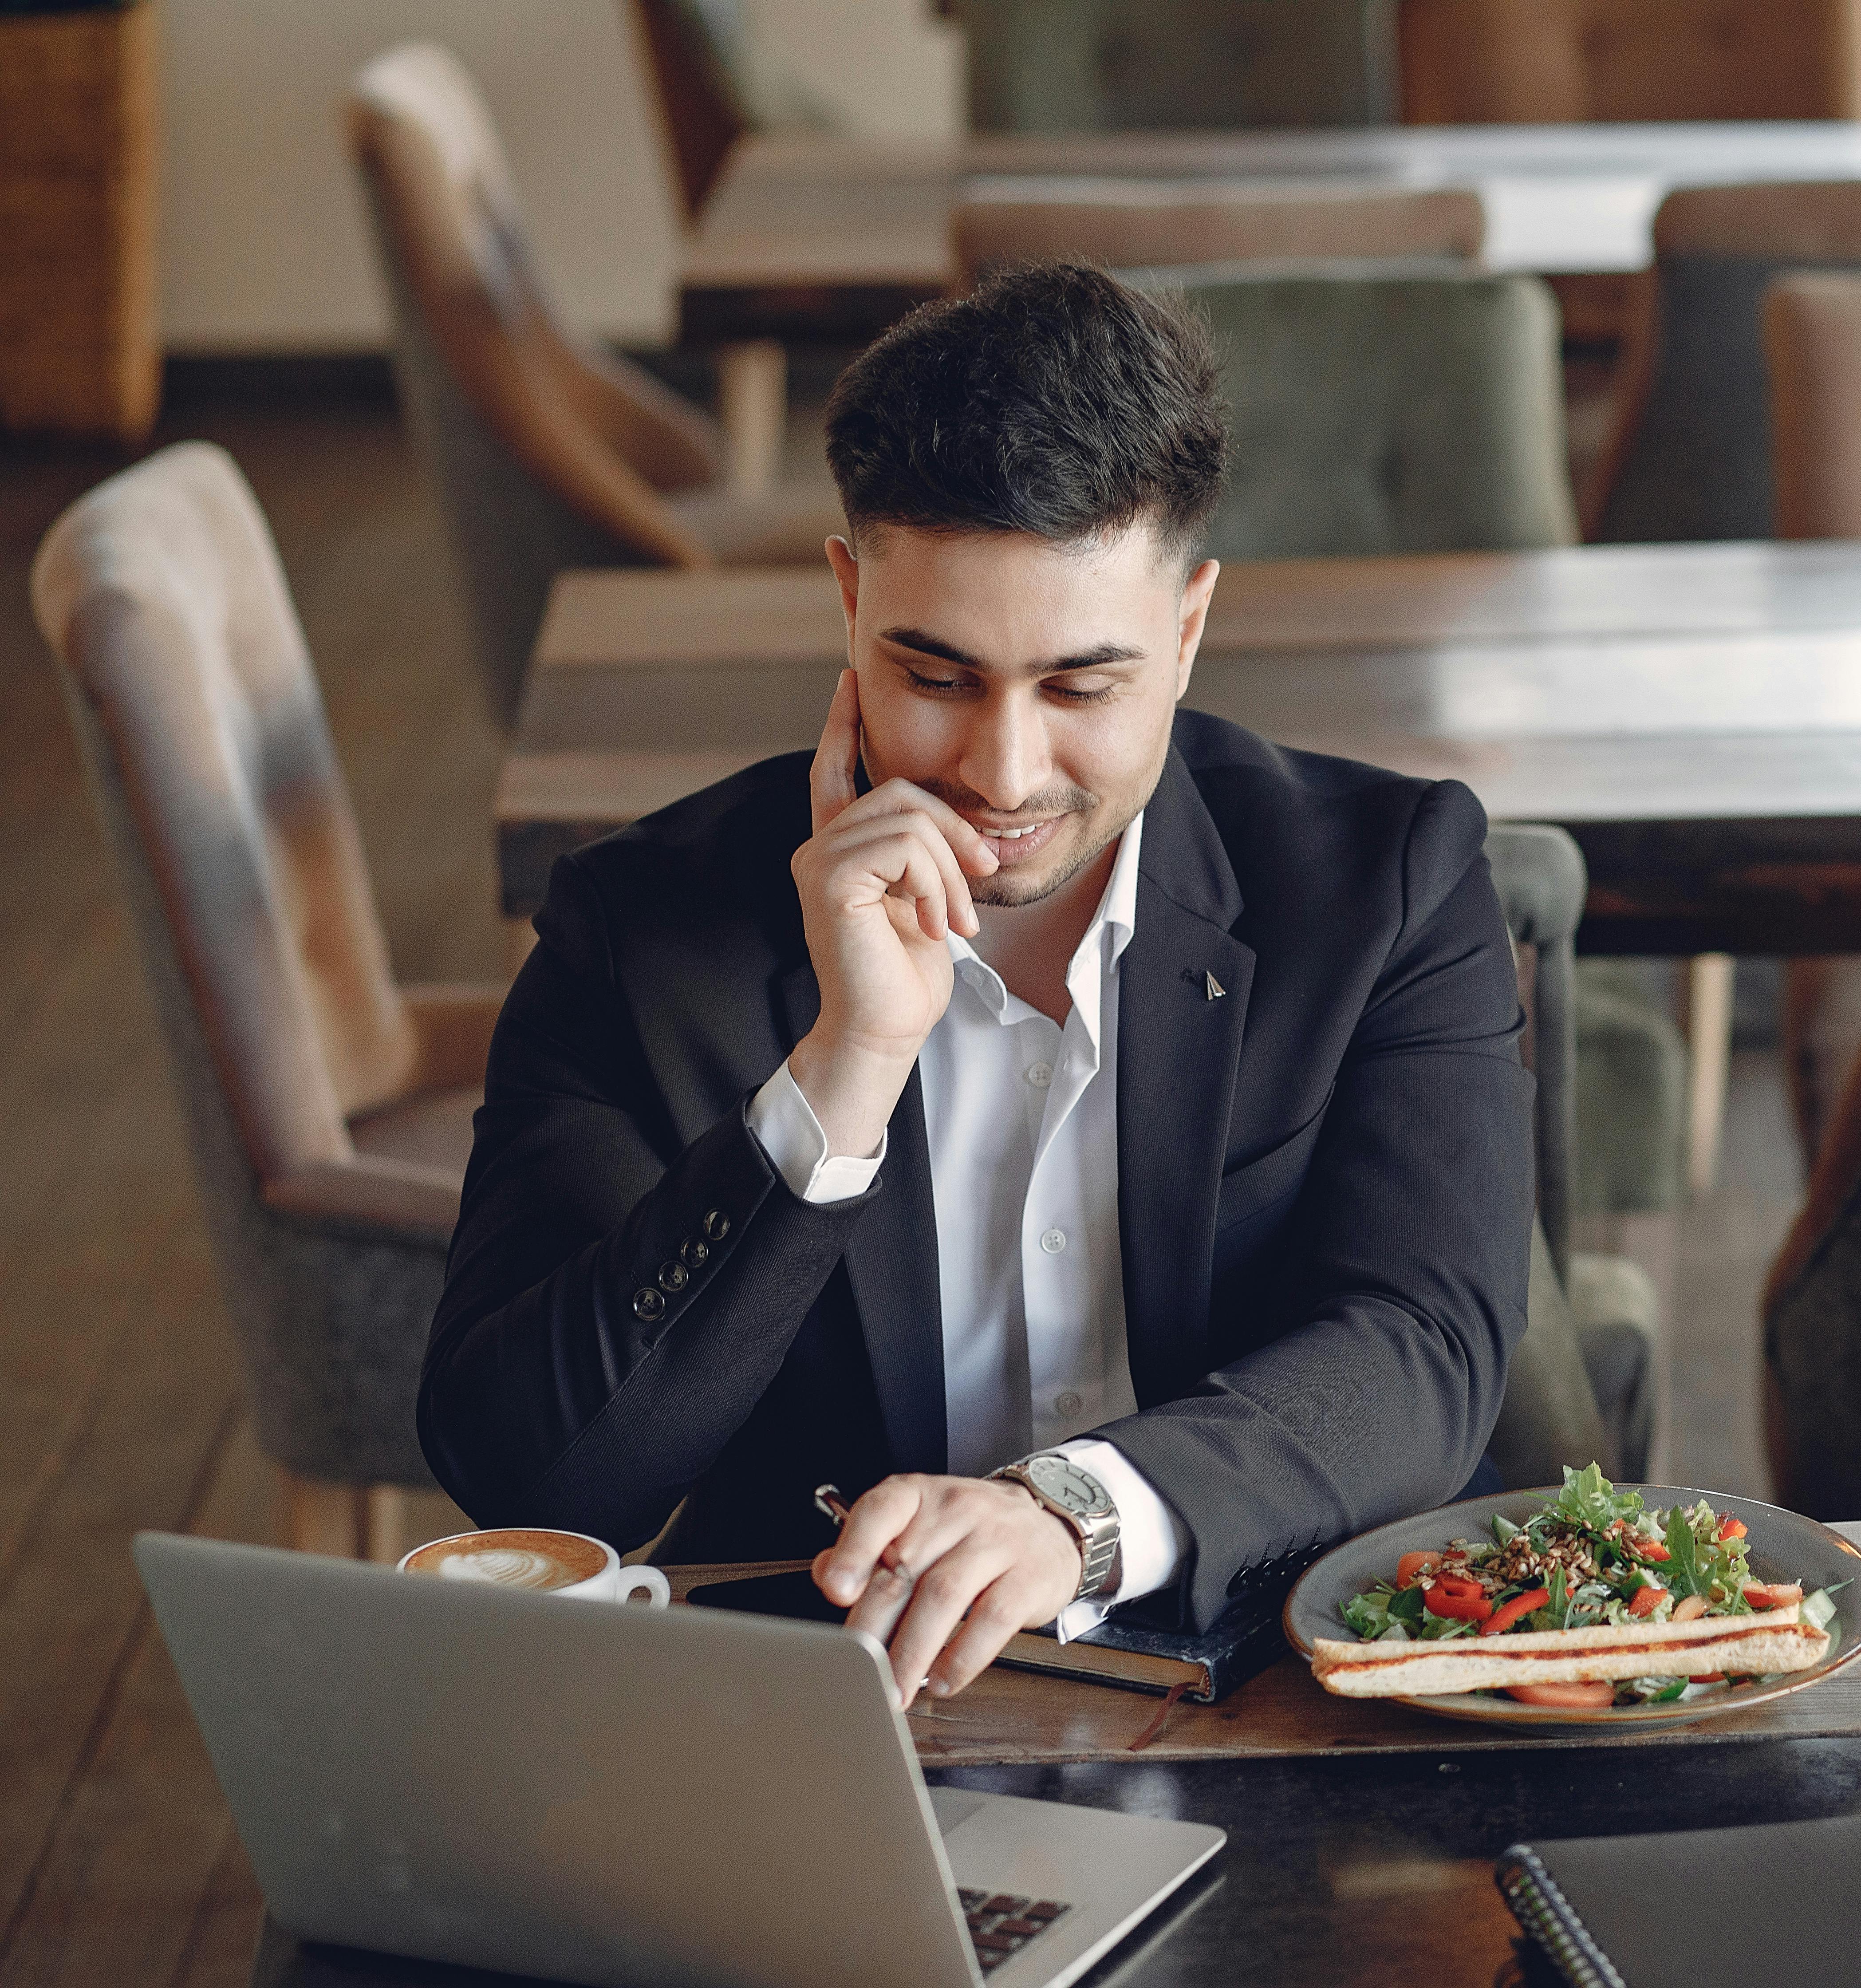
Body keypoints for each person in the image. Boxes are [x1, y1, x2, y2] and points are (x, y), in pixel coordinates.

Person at [422, 264, 1532, 1705]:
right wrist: (840, 1075)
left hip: (1290, 1692)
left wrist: (1072, 1521)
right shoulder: (639, 928)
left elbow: (1421, 1348)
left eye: (1082, 687)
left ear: (1187, 631)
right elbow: (526, 1470)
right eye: (936, 675)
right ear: (848, 599)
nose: (1005, 775)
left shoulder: (1388, 881)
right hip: (827, 1719)